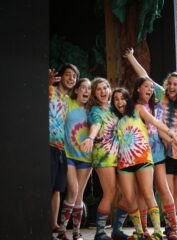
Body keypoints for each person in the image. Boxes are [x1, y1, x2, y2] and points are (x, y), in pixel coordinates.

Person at [124, 49, 177, 238]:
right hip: (146, 149)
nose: (171, 86)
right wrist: (131, 57)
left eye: (175, 84)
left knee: (164, 188)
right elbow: (144, 77)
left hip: (167, 151)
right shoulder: (157, 95)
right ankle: (144, 230)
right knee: (144, 191)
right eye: (169, 83)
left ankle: (172, 226)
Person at [111, 87, 177, 240]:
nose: (120, 102)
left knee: (148, 194)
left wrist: (170, 132)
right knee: (129, 198)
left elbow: (155, 121)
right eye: (116, 99)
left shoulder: (138, 109)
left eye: (122, 98)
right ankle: (140, 232)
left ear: (128, 99)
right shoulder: (115, 119)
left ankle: (157, 231)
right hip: (124, 163)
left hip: (143, 159)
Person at [80, 78, 124, 240]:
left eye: (105, 87)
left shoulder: (115, 108)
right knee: (110, 193)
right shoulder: (95, 111)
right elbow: (96, 126)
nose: (103, 91)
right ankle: (99, 232)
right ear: (94, 93)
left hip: (121, 157)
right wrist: (90, 138)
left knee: (128, 194)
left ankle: (117, 230)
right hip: (104, 156)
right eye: (98, 89)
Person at [56, 78, 93, 240]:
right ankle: (63, 230)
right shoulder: (67, 102)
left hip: (86, 158)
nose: (86, 91)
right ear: (77, 90)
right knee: (73, 190)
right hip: (69, 155)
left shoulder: (93, 110)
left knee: (79, 195)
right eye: (83, 87)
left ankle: (77, 232)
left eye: (89, 89)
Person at [49, 64, 79, 237]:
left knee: (57, 188)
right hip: (46, 145)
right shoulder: (50, 90)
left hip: (61, 148)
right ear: (60, 76)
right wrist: (47, 83)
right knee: (47, 185)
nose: (71, 78)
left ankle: (53, 224)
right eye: (68, 74)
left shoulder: (68, 100)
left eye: (74, 76)